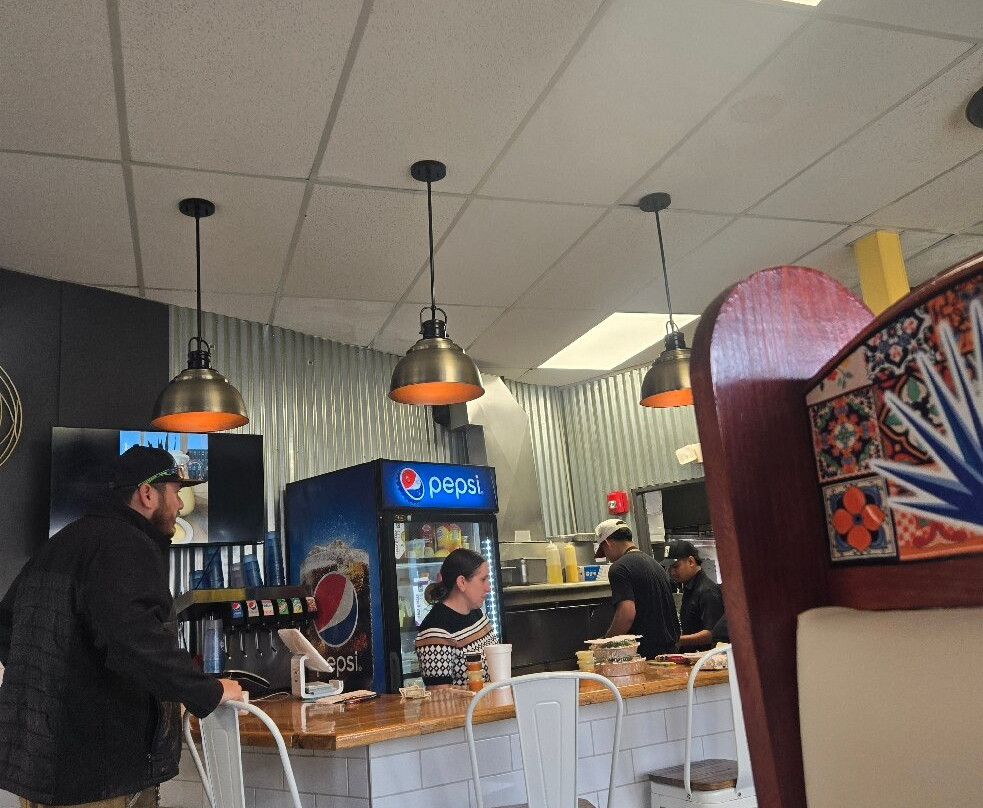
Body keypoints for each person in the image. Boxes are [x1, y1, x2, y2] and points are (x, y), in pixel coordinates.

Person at [0, 445, 243, 808]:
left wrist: (66, 688)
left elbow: (7, 631)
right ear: (147, 493)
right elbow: (134, 640)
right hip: (96, 777)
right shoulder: (126, 545)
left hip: (39, 771)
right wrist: (208, 690)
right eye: (176, 492)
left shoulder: (59, 544)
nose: (180, 505)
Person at [594, 519, 679, 658]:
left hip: (646, 656)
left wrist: (606, 642)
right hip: (670, 653)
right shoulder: (656, 565)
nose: (607, 558)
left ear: (608, 543)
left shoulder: (619, 568)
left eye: (603, 551)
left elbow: (626, 614)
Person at [414, 548, 498, 688]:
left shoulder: (477, 614)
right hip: (471, 704)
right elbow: (439, 695)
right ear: (462, 582)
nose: (488, 587)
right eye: (483, 579)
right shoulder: (435, 631)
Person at [662, 539, 725, 651]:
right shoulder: (690, 587)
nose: (672, 572)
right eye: (669, 568)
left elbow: (712, 633)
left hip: (705, 658)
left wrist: (679, 640)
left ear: (691, 561)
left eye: (675, 566)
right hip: (693, 656)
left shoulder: (707, 590)